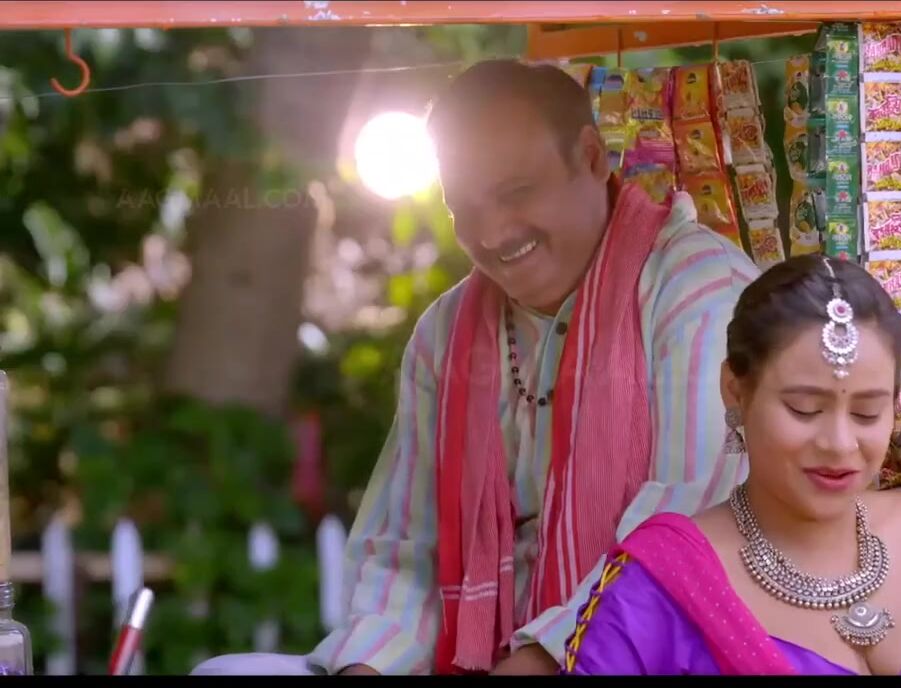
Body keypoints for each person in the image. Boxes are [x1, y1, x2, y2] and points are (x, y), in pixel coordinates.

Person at [191, 60, 759, 675]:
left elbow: (681, 537)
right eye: (463, 206)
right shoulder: (445, 333)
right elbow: (406, 551)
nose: (490, 233)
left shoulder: (698, 291)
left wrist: (539, 661)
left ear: (593, 158)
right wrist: (367, 668)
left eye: (515, 193)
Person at [562, 255, 901, 676]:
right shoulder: (657, 588)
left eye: (866, 412)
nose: (839, 444)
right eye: (804, 409)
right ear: (735, 391)